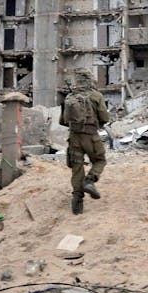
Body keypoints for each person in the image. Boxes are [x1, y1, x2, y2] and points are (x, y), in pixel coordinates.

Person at [59, 68, 111, 215]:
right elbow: (105, 118)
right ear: (90, 80)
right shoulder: (96, 96)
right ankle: (90, 181)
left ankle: (77, 203)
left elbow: (63, 121)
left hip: (74, 138)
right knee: (100, 160)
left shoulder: (70, 97)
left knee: (77, 168)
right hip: (91, 136)